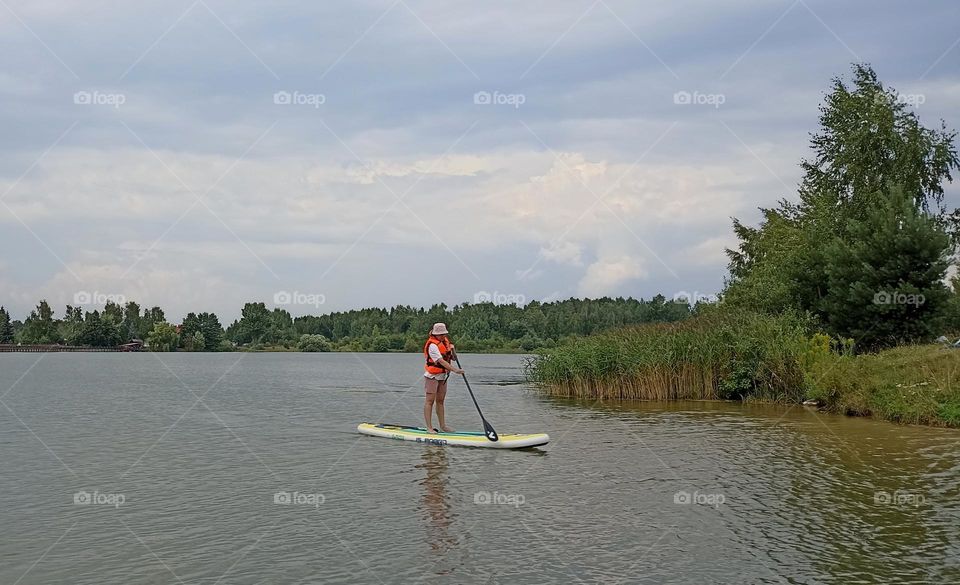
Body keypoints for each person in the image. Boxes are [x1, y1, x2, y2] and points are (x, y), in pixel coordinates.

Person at [423, 323, 464, 434]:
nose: (443, 336)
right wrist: (455, 370)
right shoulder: (432, 346)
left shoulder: (445, 343)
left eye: (444, 334)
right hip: (432, 376)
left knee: (440, 401)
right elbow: (441, 361)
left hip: (443, 376)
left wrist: (453, 350)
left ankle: (443, 426)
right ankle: (429, 428)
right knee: (430, 401)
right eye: (440, 334)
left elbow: (454, 358)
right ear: (435, 334)